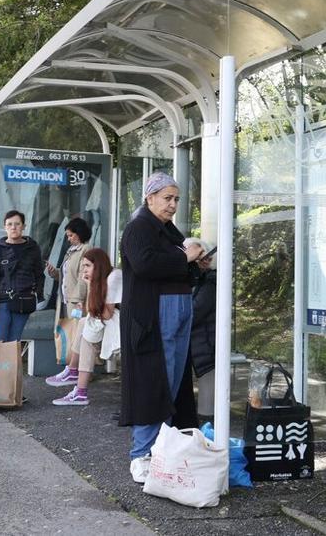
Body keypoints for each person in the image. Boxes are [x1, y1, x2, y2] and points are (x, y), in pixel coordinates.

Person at [118, 172, 204, 484]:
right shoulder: (138, 227)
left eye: (176, 199)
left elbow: (175, 262)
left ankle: (161, 449)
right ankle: (141, 454)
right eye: (167, 198)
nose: (172, 205)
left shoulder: (166, 229)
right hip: (153, 317)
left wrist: (195, 260)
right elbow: (146, 264)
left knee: (173, 381)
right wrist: (185, 256)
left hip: (176, 311)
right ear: (149, 197)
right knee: (153, 382)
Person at [46, 247, 122, 405]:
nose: (84, 270)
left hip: (126, 322)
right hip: (110, 320)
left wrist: (91, 286)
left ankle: (78, 386)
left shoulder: (114, 277)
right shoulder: (100, 280)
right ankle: (74, 375)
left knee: (87, 328)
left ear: (98, 265)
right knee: (84, 322)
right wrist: (90, 285)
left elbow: (106, 314)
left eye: (87, 266)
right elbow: (92, 311)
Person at [0, 210, 45, 343]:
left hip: (22, 302)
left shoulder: (32, 248)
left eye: (17, 224)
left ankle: (12, 365)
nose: (13, 227)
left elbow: (39, 274)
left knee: (14, 343)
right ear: (5, 227)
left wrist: (37, 295)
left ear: (23, 226)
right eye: (9, 224)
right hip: (1, 303)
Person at [184, 238, 216, 423]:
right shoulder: (193, 280)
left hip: (202, 341)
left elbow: (195, 312)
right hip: (196, 340)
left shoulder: (210, 282)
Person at [46, 217, 92, 318]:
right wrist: (55, 272)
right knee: (65, 331)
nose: (68, 239)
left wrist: (78, 300)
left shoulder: (85, 250)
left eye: (71, 235)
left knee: (75, 330)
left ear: (79, 233)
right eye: (67, 236)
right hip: (65, 299)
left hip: (76, 301)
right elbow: (67, 274)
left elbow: (83, 278)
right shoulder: (71, 250)